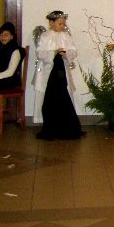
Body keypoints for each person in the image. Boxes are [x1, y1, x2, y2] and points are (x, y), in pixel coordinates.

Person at [34, 10, 84, 140]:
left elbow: (73, 51)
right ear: (51, 23)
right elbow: (40, 53)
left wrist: (66, 54)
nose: (62, 26)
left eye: (63, 24)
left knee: (64, 96)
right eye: (60, 24)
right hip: (48, 71)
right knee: (50, 98)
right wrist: (54, 52)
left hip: (62, 71)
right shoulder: (45, 36)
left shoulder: (66, 36)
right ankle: (50, 127)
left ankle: (66, 126)